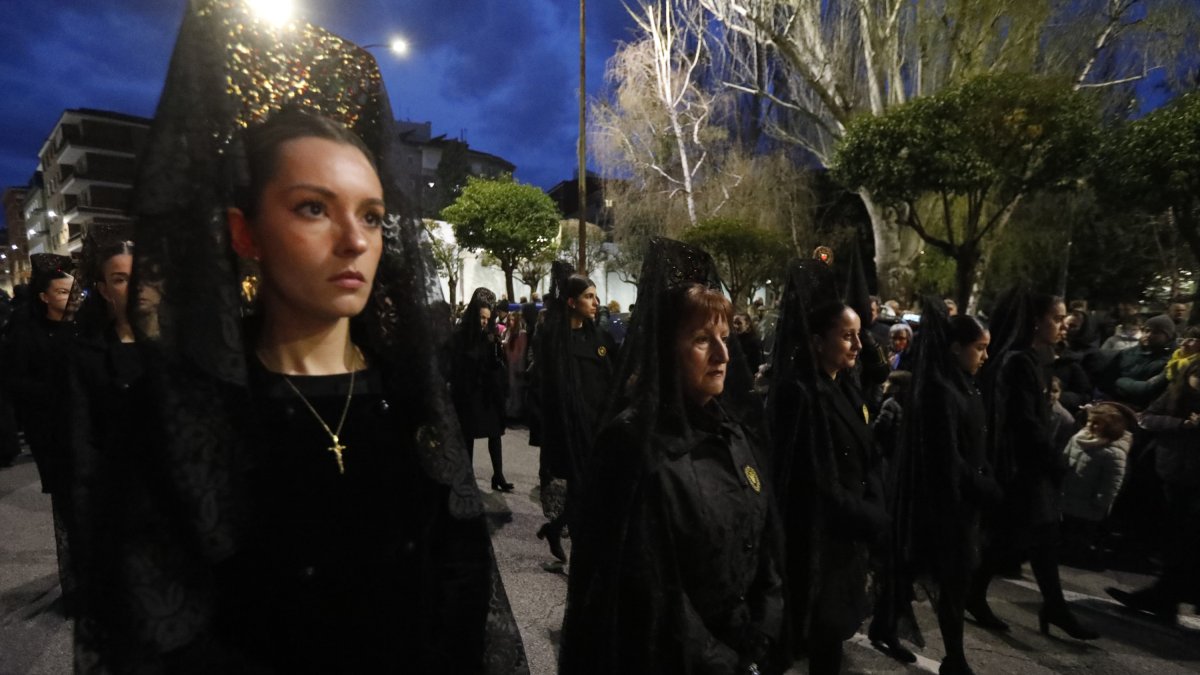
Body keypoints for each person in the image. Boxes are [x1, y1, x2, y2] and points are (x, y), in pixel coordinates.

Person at [75, 5, 526, 671]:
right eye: (313, 207)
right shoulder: (186, 418)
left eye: (371, 216)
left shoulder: (412, 399)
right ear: (244, 233)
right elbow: (156, 631)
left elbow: (458, 597)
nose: (354, 239)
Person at [560, 238, 784, 675]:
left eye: (724, 337)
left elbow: (764, 547)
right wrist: (727, 664)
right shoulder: (632, 443)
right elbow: (651, 591)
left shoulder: (733, 432)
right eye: (703, 340)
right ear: (665, 348)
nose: (722, 355)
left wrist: (762, 632)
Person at [768, 259, 888, 675]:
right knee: (816, 636)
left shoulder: (845, 387)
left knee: (830, 640)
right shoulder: (799, 393)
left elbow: (867, 455)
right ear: (818, 341)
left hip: (848, 536)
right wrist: (871, 516)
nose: (858, 346)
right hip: (818, 540)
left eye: (860, 336)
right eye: (847, 337)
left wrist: (874, 502)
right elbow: (816, 480)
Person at [970, 291, 1098, 640]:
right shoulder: (1019, 361)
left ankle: (985, 594)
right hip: (1022, 467)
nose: (1062, 326)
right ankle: (1052, 606)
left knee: (1019, 536)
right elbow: (1024, 423)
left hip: (1026, 466)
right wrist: (1053, 461)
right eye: (1056, 318)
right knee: (1031, 534)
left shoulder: (1030, 359)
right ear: (1035, 321)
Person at [891, 305, 1002, 675]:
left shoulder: (963, 383)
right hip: (945, 503)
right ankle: (955, 657)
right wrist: (983, 485)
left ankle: (885, 624)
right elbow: (947, 456)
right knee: (948, 579)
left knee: (923, 572)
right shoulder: (940, 389)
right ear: (956, 347)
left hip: (963, 500)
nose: (985, 356)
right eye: (979, 347)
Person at [3, 253, 78, 612]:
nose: (70, 297)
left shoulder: (81, 328)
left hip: (82, 429)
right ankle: (77, 588)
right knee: (70, 510)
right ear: (44, 296)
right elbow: (16, 382)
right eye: (62, 292)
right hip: (51, 433)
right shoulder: (25, 332)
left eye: (73, 291)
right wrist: (57, 392)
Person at [1107, 360, 1200, 622]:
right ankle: (1165, 597)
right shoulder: (1175, 394)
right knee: (1176, 538)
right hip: (1172, 474)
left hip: (1195, 481)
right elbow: (1147, 418)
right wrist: (1181, 424)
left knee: (1186, 542)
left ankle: (1165, 595)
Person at [535, 265, 616, 563]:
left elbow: (611, 378)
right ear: (571, 302)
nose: (596, 303)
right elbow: (547, 387)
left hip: (597, 427)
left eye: (596, 297)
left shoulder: (599, 338)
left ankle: (555, 529)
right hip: (569, 430)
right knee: (583, 491)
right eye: (589, 297)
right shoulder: (553, 338)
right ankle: (583, 562)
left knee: (584, 492)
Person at [450, 287, 513, 492]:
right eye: (481, 317)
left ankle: (499, 474)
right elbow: (456, 365)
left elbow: (497, 366)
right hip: (468, 393)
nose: (485, 321)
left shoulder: (490, 336)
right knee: (468, 436)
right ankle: (467, 476)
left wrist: (496, 354)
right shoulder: (461, 336)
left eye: (487, 318)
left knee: (495, 433)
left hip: (487, 394)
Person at [1059, 402, 1133, 569]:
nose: (1091, 426)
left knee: (1081, 535)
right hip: (1069, 495)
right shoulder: (1079, 439)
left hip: (1089, 504)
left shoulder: (1114, 452)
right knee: (1067, 530)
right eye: (1089, 421)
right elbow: (1065, 459)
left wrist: (1101, 503)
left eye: (1097, 423)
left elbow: (1111, 483)